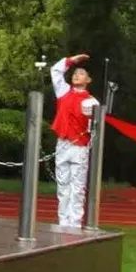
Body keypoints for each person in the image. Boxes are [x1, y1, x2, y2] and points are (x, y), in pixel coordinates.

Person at [50, 52, 99, 231]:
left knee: (77, 187)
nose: (76, 75)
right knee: (63, 185)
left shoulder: (92, 101)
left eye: (81, 74)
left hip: (80, 146)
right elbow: (55, 71)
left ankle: (75, 223)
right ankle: (63, 221)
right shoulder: (63, 92)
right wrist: (71, 61)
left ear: (89, 80)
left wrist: (91, 120)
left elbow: (96, 128)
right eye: (75, 73)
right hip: (63, 143)